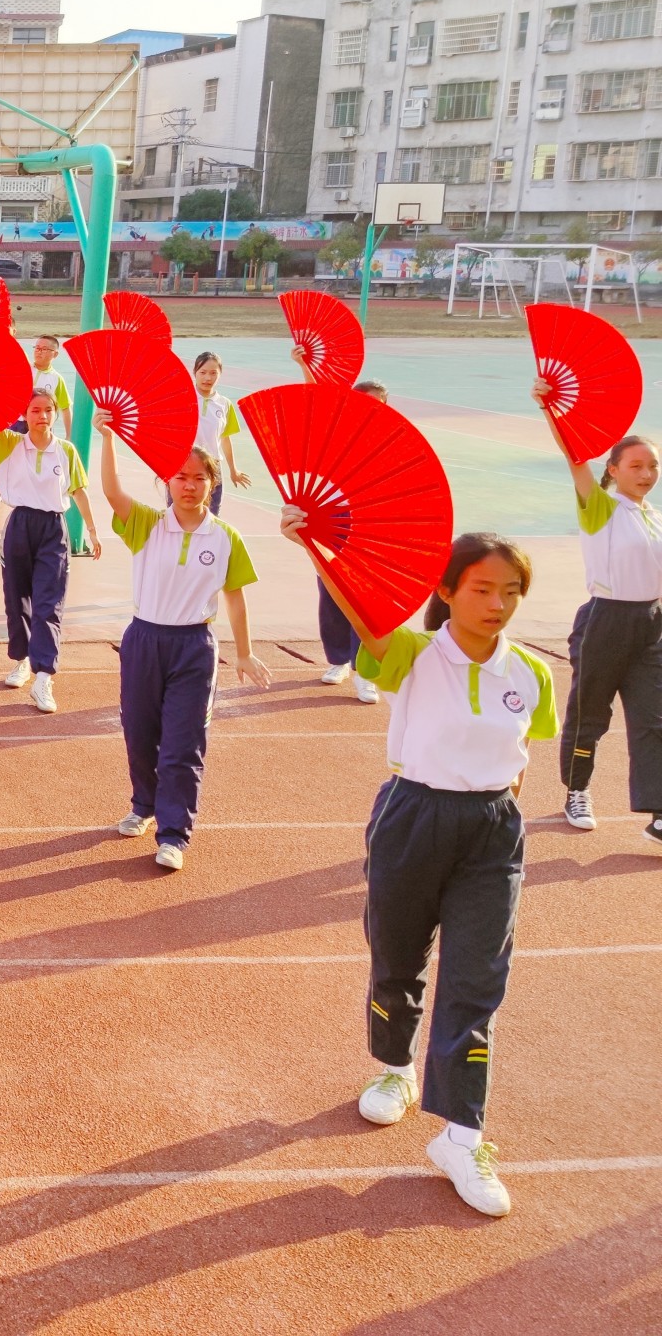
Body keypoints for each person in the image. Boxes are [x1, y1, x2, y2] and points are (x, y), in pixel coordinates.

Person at [292, 525, 554, 1217]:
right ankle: (396, 1068)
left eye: (512, 591)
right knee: (398, 954)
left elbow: (523, 753)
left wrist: (496, 816)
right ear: (446, 590)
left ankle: (463, 1136)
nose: (498, 603)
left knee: (476, 979)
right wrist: (315, 547)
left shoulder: (532, 673)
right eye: (482, 588)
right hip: (413, 816)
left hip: (492, 832)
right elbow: (364, 618)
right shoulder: (412, 654)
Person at [97, 422, 269, 870]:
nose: (189, 485)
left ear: (213, 484)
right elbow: (112, 492)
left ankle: (173, 834)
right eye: (180, 476)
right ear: (165, 482)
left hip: (194, 646)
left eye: (198, 478)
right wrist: (108, 439)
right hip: (143, 640)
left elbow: (236, 596)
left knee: (182, 744)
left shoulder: (226, 537)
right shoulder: (148, 525)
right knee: (139, 733)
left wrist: (245, 651)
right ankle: (143, 804)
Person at [529, 389, 662, 840]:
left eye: (653, 466)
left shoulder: (654, 517)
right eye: (636, 466)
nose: (646, 474)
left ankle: (659, 810)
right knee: (591, 713)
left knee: (653, 715)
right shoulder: (602, 508)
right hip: (605, 620)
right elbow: (572, 459)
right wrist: (551, 409)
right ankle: (577, 791)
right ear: (613, 469)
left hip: (651, 623)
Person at [0, 390, 102, 707]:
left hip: (53, 529)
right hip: (19, 524)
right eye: (35, 410)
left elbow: (78, 492)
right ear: (24, 414)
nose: (43, 416)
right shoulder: (8, 443)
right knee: (16, 597)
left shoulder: (65, 451)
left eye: (48, 410)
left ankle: (44, 678)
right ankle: (22, 660)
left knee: (50, 602)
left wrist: (92, 530)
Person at [292, 360, 391, 702]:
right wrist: (305, 365)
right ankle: (338, 661)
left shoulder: (391, 441)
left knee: (364, 597)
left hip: (370, 523)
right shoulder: (335, 432)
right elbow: (316, 402)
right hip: (332, 519)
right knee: (331, 590)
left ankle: (365, 671)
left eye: (377, 404)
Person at [186, 351, 249, 514]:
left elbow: (225, 439)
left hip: (212, 468)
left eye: (213, 373)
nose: (208, 378)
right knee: (181, 515)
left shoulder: (224, 404)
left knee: (212, 517)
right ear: (195, 373)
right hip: (184, 466)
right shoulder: (183, 398)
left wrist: (233, 470)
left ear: (220, 374)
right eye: (203, 372)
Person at [30, 334, 74, 440]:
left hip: (41, 426)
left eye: (44, 349)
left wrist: (69, 435)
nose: (39, 351)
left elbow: (66, 408)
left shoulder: (56, 379)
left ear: (55, 354)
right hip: (18, 424)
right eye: (37, 348)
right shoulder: (23, 369)